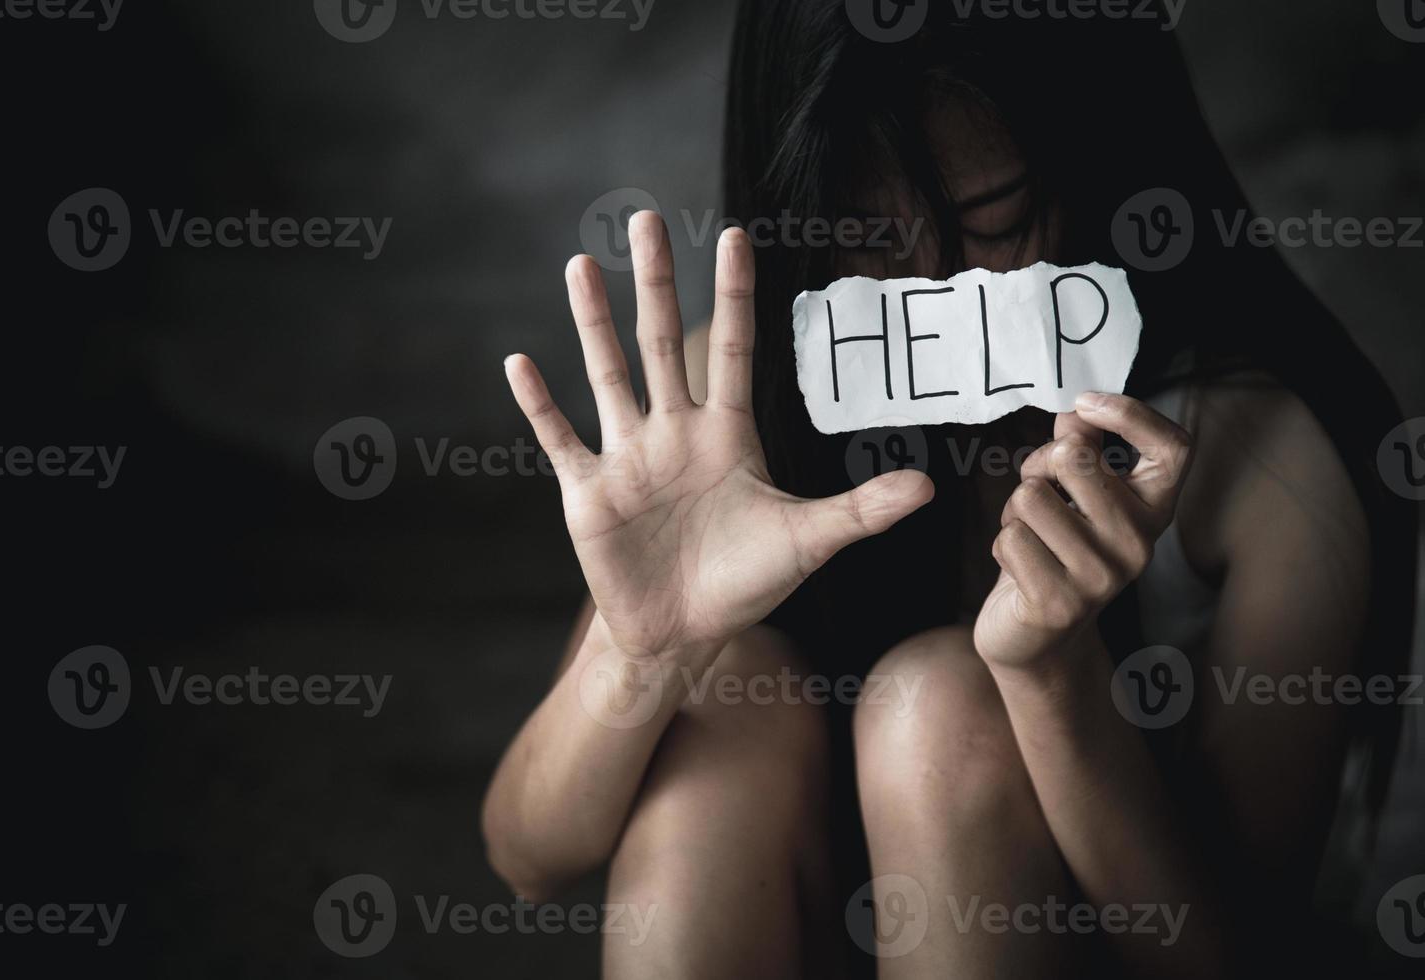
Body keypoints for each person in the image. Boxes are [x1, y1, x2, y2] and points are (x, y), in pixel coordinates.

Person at [482, 4, 1416, 976]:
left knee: (942, 701)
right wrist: (646, 651)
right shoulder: (737, 392)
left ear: (1094, 153)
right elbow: (528, 854)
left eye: (994, 220)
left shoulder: (1262, 447)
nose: (933, 286)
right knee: (729, 692)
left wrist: (1055, 682)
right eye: (869, 235)